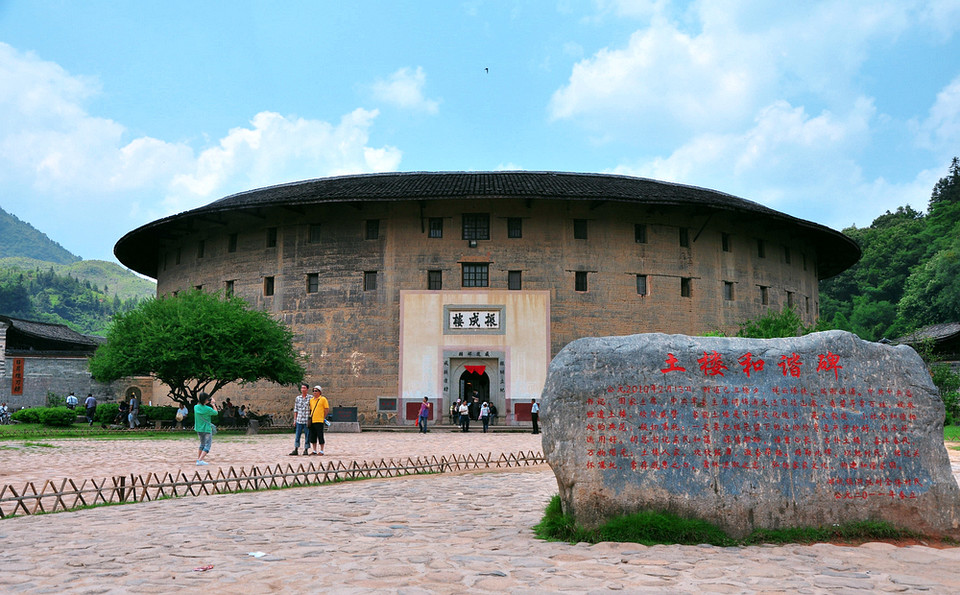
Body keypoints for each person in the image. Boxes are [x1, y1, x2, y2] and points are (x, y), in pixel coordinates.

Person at [193, 392, 218, 465]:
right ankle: (200, 460)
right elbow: (216, 413)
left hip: (199, 429)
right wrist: (213, 404)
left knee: (202, 444)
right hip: (206, 429)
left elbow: (199, 405)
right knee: (207, 445)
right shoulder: (208, 409)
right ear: (206, 400)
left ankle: (199, 459)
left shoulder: (196, 407)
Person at [308, 386, 330, 455]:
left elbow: (326, 409)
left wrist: (323, 416)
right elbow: (311, 409)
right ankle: (314, 450)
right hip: (313, 420)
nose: (314, 392)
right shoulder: (311, 400)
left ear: (320, 392)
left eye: (316, 391)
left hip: (319, 420)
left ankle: (321, 450)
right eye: (314, 391)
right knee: (313, 436)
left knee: (320, 435)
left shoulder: (323, 399)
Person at [290, 383, 310, 456]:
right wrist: (295, 420)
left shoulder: (310, 398)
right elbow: (296, 409)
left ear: (307, 389)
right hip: (299, 419)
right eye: (302, 388)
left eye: (304, 388)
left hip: (306, 419)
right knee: (297, 435)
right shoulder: (298, 398)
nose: (303, 389)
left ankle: (306, 449)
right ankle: (296, 448)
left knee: (307, 435)